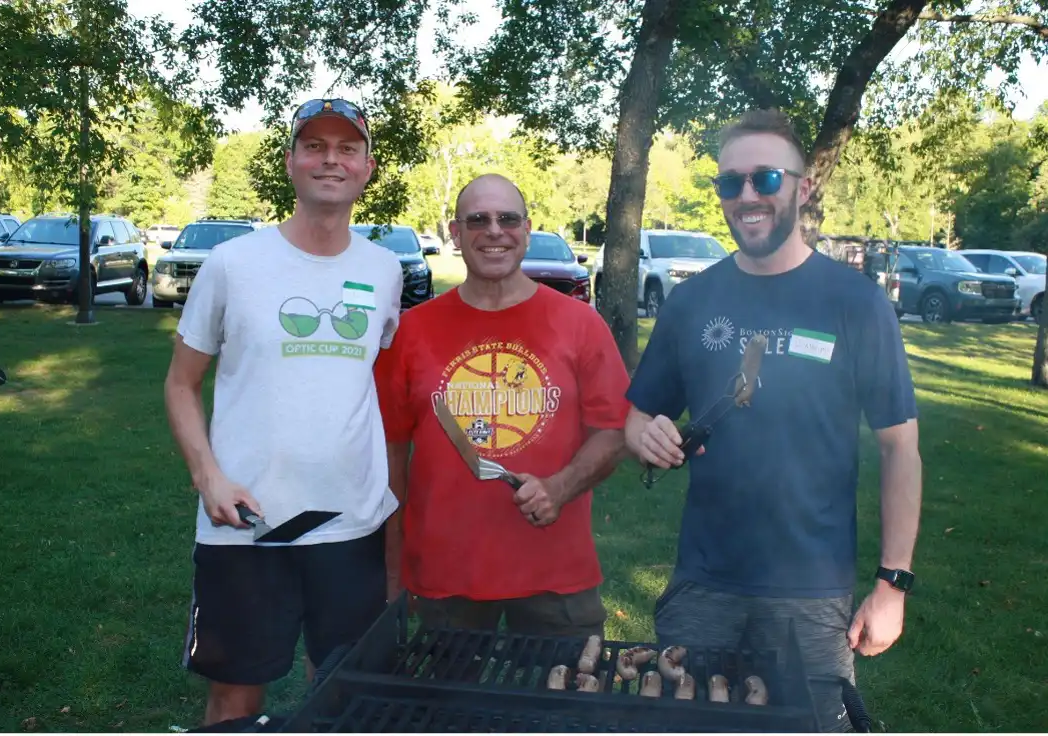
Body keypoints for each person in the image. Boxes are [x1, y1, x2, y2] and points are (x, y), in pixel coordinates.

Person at [624, 109, 922, 732]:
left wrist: (892, 584)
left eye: (765, 178)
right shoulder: (692, 300)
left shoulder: (856, 302)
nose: (748, 196)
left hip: (812, 591)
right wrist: (644, 435)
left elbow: (901, 449)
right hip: (703, 582)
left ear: (802, 186)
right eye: (731, 183)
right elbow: (637, 416)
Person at [164, 98, 404, 727]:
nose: (331, 160)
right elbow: (181, 384)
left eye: (347, 148)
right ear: (292, 163)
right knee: (235, 699)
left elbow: (365, 382)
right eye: (315, 147)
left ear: (368, 167)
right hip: (246, 522)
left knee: (342, 692)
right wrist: (208, 476)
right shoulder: (232, 264)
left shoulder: (385, 271)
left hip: (350, 523)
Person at [374, 173, 630, 638]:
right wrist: (394, 570)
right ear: (455, 233)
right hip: (447, 574)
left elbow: (613, 430)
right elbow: (390, 456)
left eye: (507, 219)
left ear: (527, 229)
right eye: (478, 220)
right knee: (449, 710)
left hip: (556, 572)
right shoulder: (413, 332)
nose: (494, 231)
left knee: (563, 707)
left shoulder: (579, 325)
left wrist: (560, 487)